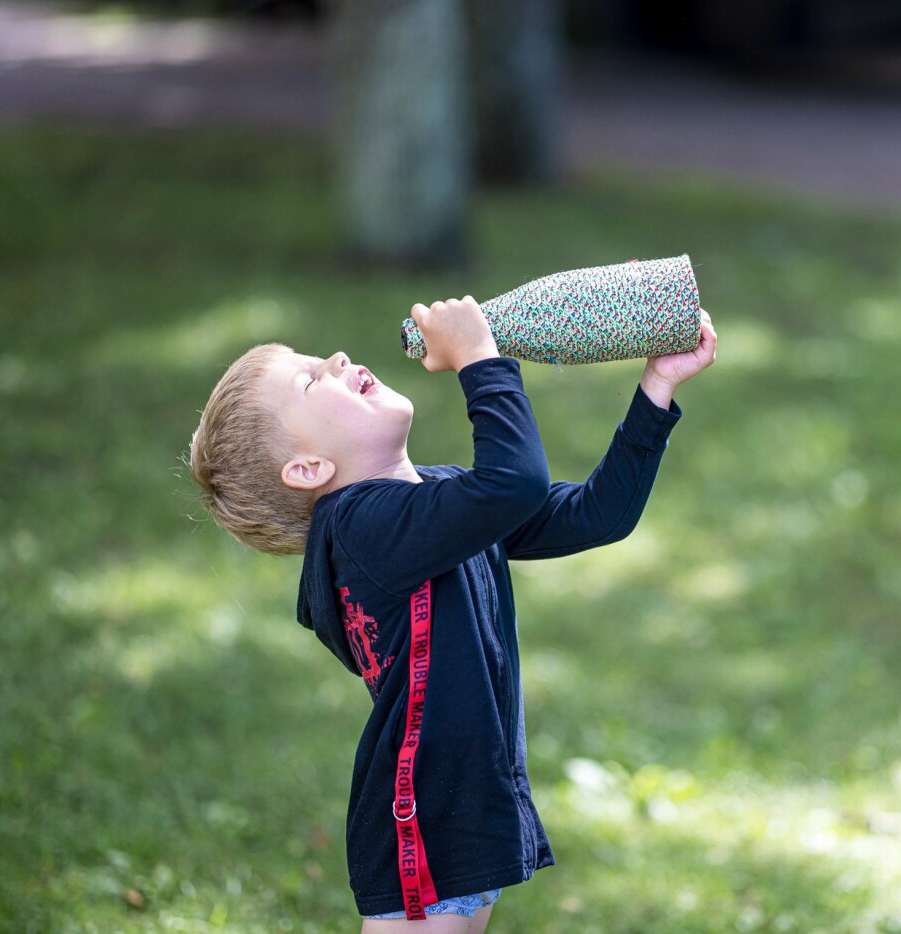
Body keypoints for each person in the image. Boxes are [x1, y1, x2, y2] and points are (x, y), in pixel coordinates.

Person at [188, 296, 717, 931]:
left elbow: (596, 514)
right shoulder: (363, 530)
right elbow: (513, 484)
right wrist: (478, 359)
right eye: (310, 379)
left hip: (466, 806)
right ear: (309, 469)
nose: (334, 359)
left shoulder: (429, 503)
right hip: (426, 821)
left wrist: (655, 388)